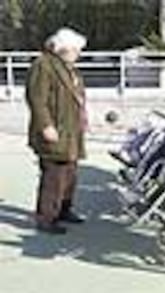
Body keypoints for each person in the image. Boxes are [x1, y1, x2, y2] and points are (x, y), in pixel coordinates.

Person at [25, 28, 88, 234]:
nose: (78, 53)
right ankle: (46, 218)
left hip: (71, 130)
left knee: (70, 174)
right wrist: (46, 125)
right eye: (75, 49)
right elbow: (37, 99)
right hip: (54, 129)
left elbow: (78, 99)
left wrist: (83, 119)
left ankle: (63, 209)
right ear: (63, 48)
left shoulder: (71, 69)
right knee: (54, 176)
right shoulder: (44, 65)